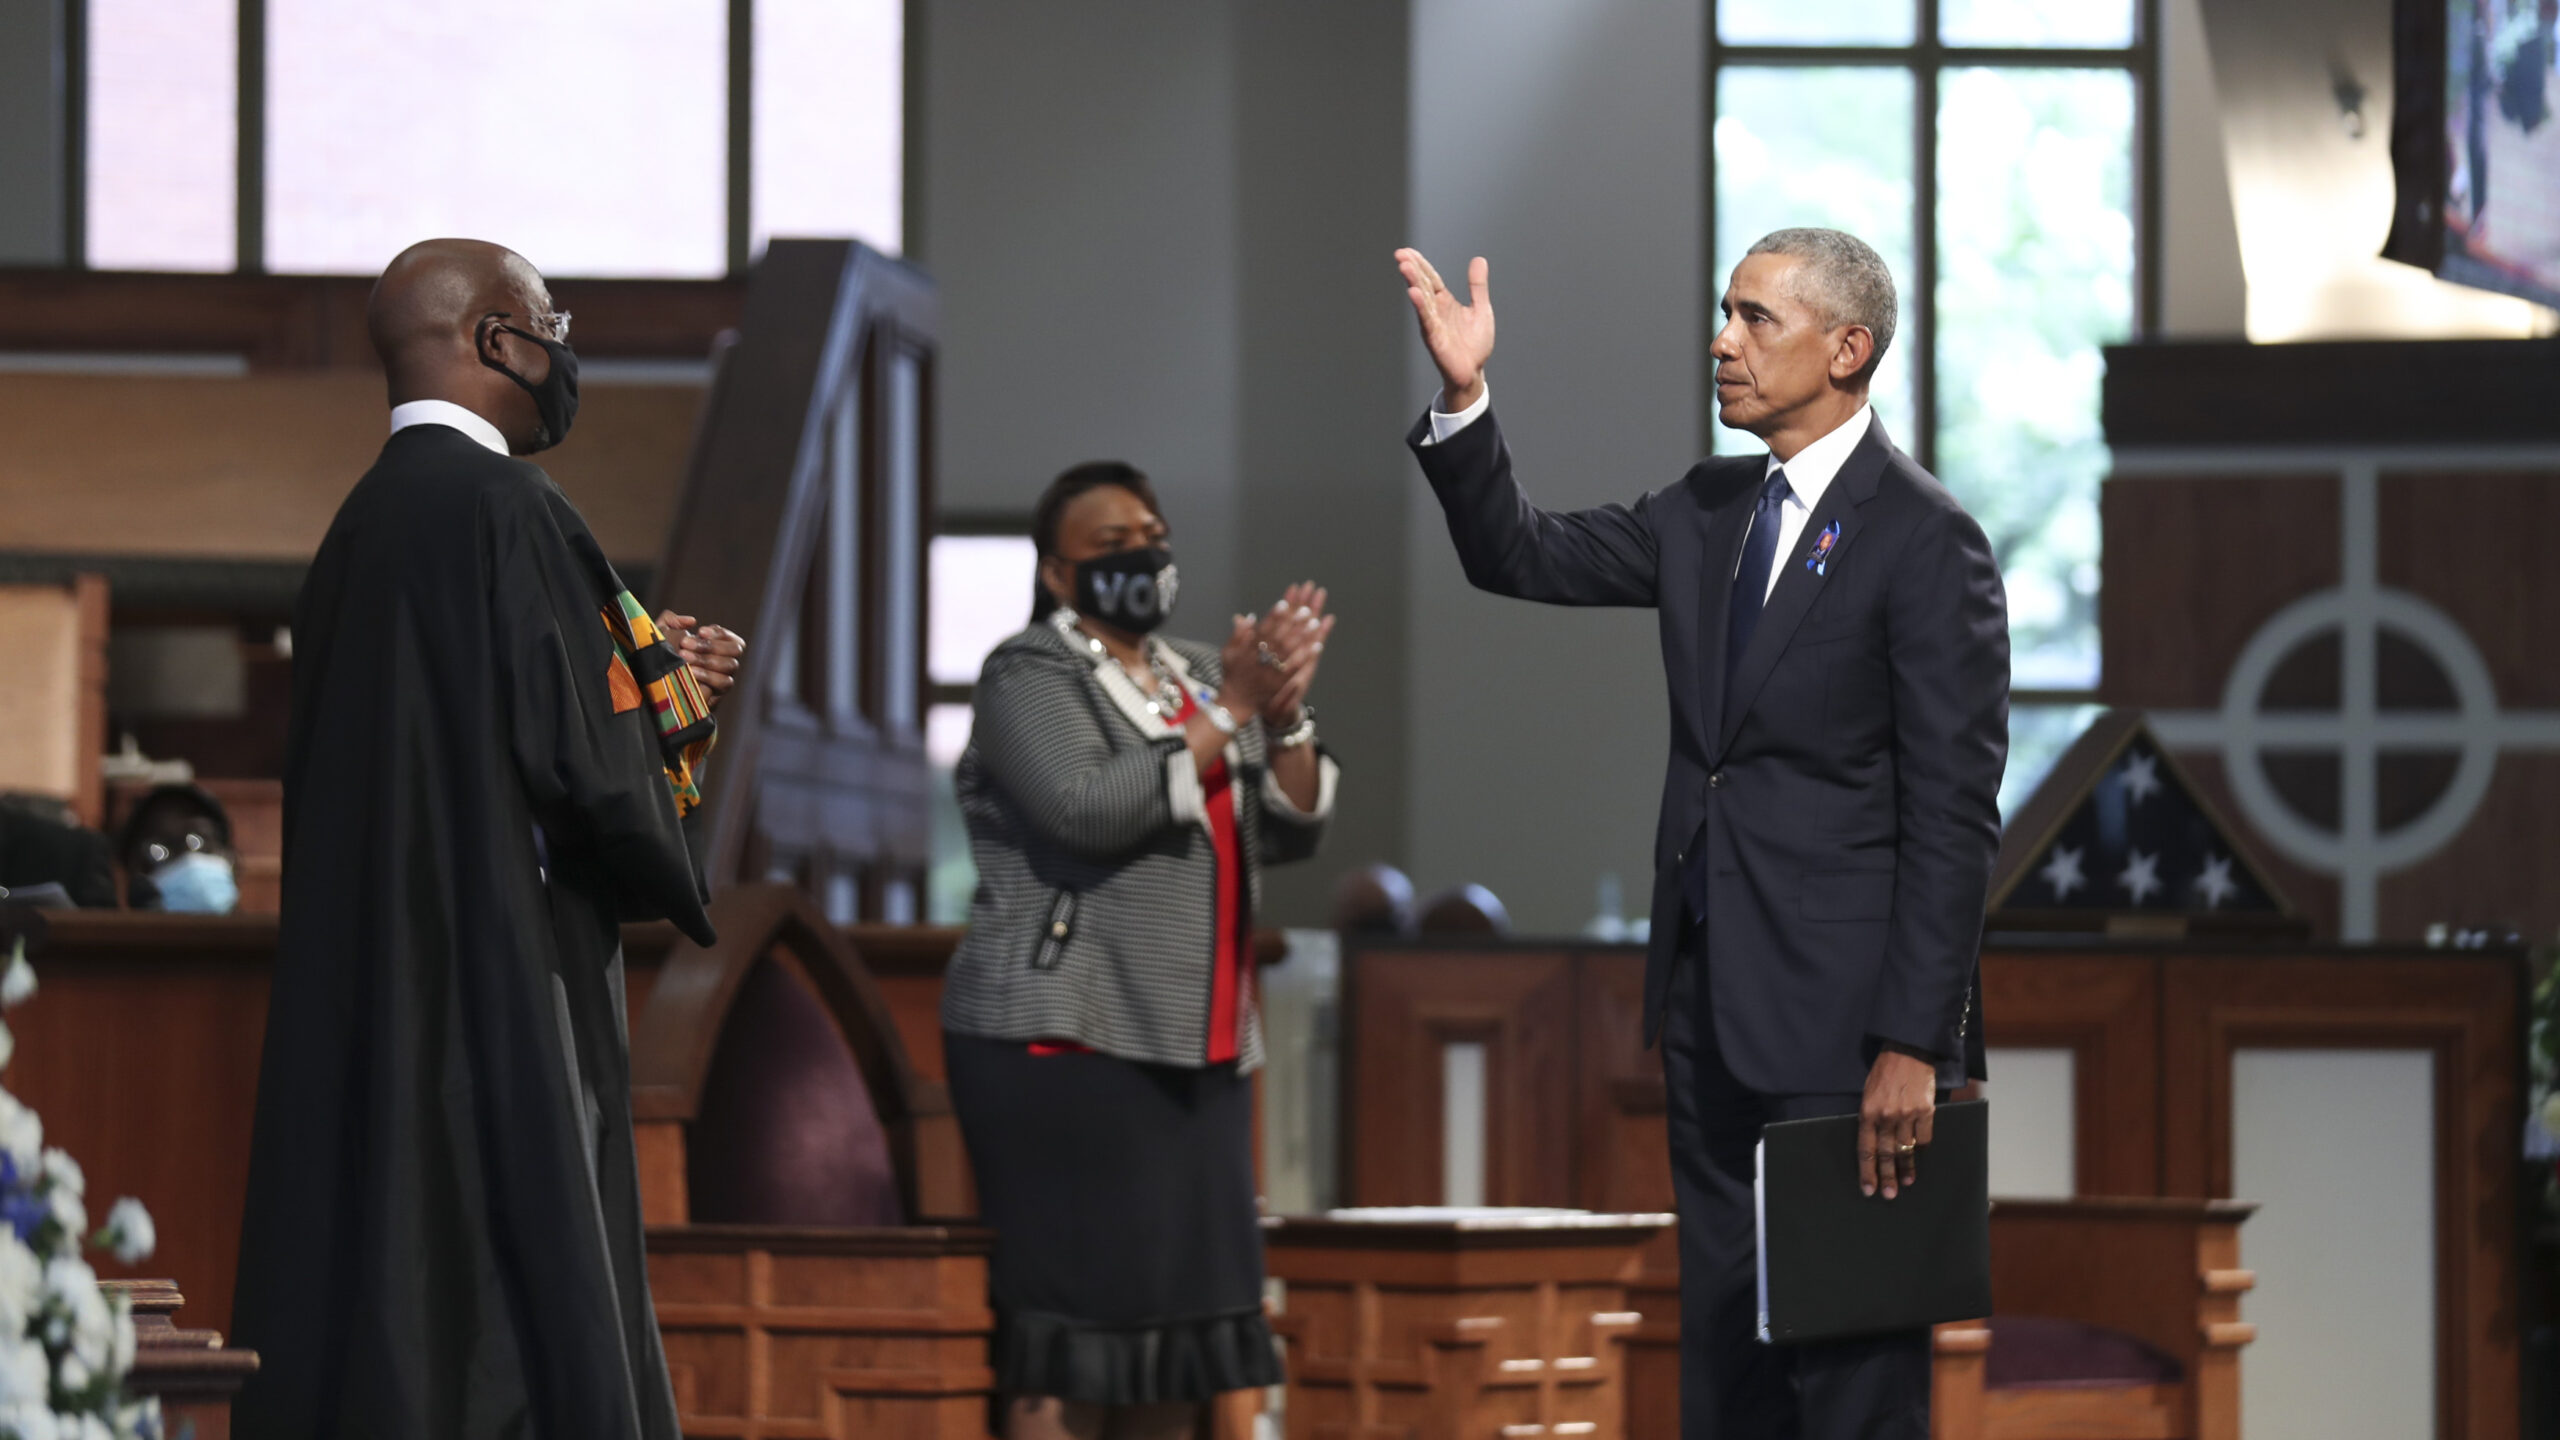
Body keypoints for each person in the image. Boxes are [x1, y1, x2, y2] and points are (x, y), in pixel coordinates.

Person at [1395, 229, 2008, 1438]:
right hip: (1712, 1010)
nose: (1720, 344)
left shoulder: (1928, 541)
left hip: (1849, 1039)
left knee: (1849, 1380)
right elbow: (1515, 552)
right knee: (1725, 1372)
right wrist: (1465, 396)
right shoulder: (1704, 510)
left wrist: (1911, 1045)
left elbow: (1952, 813)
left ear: (1848, 349)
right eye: (1723, 314)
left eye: (1753, 320)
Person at [230, 238, 748, 1440]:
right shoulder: (514, 508)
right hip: (497, 977)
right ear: (493, 338)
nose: (562, 349)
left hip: (371, 981)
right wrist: (672, 722)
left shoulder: (356, 531)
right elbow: (586, 771)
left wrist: (631, 670)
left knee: (387, 1276)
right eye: (549, 321)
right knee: (508, 1296)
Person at [939, 461, 1340, 1440]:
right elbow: (1084, 809)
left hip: (1195, 1045)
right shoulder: (1028, 671)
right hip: (1067, 1040)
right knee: (1077, 1328)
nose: (1142, 555)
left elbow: (1293, 824)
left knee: (1178, 1331)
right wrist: (1235, 712)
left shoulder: (1201, 672)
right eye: (1110, 545)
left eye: (1150, 535)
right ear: (1058, 574)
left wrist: (1282, 710)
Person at [116, 783, 238, 913]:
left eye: (199, 841)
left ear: (233, 860)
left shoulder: (260, 933)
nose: (188, 859)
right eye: (159, 850)